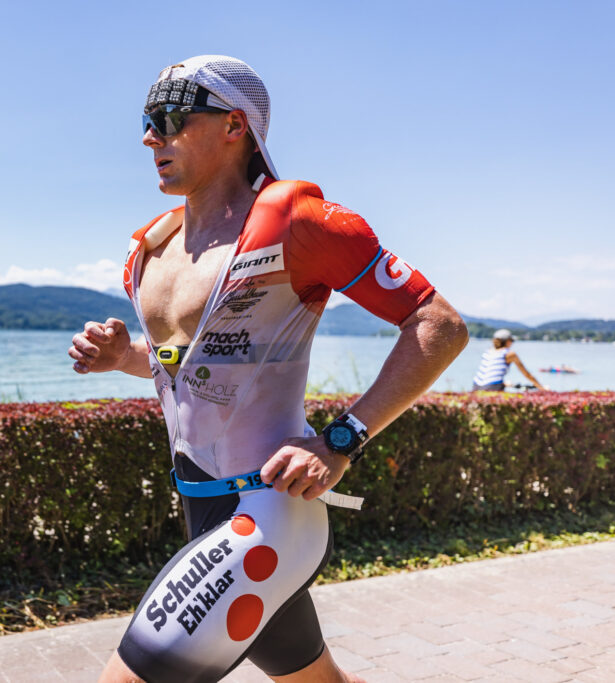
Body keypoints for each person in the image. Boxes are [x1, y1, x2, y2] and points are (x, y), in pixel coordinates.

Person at [68, 55, 468, 683]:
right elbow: (201, 372)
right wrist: (127, 359)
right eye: (148, 120)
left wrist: (342, 440)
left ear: (234, 125)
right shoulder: (152, 246)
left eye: (170, 118)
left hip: (269, 511)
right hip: (199, 503)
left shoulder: (297, 222)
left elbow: (438, 326)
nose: (151, 137)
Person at [472, 329, 549, 391]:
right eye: (512, 341)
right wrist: (541, 387)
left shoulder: (487, 352)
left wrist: (504, 383)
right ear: (507, 341)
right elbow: (526, 374)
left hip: (476, 386)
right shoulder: (509, 354)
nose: (512, 343)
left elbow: (488, 375)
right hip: (492, 387)